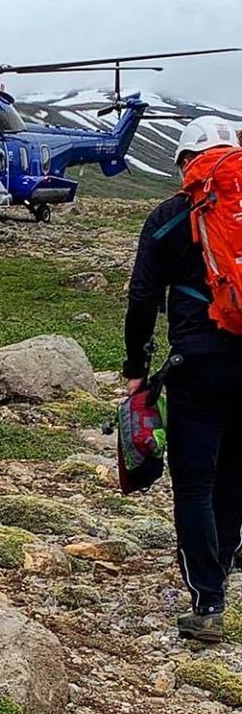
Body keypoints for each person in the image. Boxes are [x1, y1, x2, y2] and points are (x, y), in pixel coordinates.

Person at [123, 115, 242, 643]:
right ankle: (229, 555)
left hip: (197, 365)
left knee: (194, 482)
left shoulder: (170, 216)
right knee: (236, 466)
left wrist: (136, 370)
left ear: (184, 162)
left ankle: (208, 603)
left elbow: (143, 297)